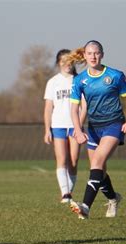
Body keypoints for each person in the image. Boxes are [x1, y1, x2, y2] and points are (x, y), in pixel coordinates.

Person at [67, 40, 126, 219]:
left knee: (96, 162)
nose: (93, 56)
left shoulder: (115, 75)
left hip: (114, 124)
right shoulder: (79, 79)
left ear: (102, 54)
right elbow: (74, 109)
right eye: (89, 53)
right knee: (99, 170)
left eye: (96, 53)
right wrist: (78, 129)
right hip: (94, 127)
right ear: (84, 55)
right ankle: (113, 198)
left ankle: (86, 207)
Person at [43, 49, 86, 203]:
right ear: (58, 63)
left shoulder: (79, 80)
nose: (67, 64)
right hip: (58, 125)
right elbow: (48, 107)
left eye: (69, 61)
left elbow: (84, 105)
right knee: (61, 159)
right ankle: (65, 194)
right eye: (63, 61)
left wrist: (79, 126)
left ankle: (69, 192)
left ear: (73, 62)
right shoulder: (53, 82)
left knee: (73, 161)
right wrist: (47, 129)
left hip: (75, 126)